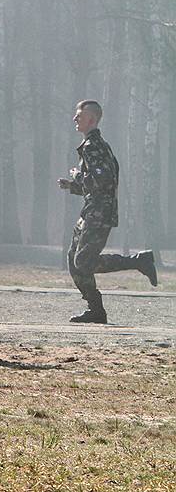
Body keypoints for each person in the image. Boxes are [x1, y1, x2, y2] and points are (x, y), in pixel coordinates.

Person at [58, 100, 157, 324]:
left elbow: (102, 180)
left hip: (99, 212)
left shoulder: (94, 146)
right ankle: (96, 310)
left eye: (79, 116)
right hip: (91, 210)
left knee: (83, 262)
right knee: (74, 260)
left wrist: (77, 177)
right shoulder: (93, 145)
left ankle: (139, 262)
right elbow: (97, 182)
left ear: (91, 120)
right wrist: (72, 186)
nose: (75, 119)